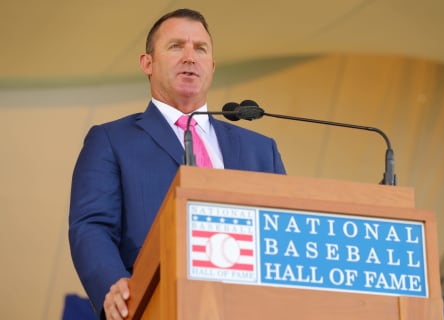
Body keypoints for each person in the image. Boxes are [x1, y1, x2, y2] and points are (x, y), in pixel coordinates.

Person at [68, 8, 286, 320]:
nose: (189, 57)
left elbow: (284, 235)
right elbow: (91, 226)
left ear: (211, 66)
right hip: (156, 304)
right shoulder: (111, 140)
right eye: (175, 46)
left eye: (200, 49)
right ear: (148, 63)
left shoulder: (261, 150)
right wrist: (114, 285)